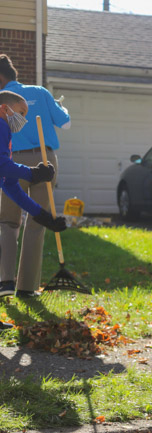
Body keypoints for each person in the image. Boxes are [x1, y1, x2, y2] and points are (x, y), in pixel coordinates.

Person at [0, 54, 71, 298]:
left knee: (8, 222)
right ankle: (26, 288)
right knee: (36, 222)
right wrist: (62, 108)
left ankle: (5, 282)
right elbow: (66, 123)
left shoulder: (3, 104)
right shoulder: (40, 92)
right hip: (42, 159)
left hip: (10, 162)